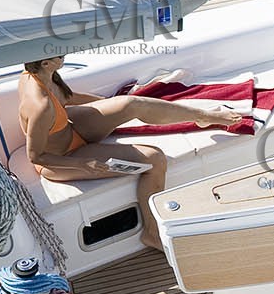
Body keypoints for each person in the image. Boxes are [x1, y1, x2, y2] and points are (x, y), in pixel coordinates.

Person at [18, 55, 244, 248]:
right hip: (63, 159)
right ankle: (152, 234)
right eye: (61, 54)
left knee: (130, 104)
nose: (66, 55)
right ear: (47, 63)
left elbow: (67, 98)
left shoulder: (41, 75)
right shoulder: (39, 105)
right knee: (154, 159)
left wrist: (110, 105)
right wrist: (83, 165)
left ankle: (202, 116)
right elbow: (36, 156)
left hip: (70, 128)